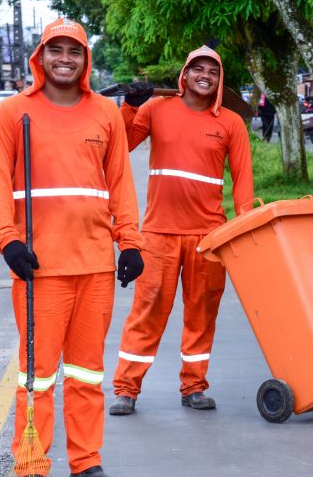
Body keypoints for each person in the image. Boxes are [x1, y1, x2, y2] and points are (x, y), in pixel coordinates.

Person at [0, 18, 144, 477]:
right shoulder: (14, 114)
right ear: (41, 56)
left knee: (88, 374)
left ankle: (86, 460)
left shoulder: (106, 114)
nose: (65, 59)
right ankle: (32, 463)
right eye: (56, 50)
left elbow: (120, 187)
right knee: (37, 377)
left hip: (94, 267)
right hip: (40, 267)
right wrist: (8, 240)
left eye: (73, 51)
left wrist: (130, 243)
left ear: (85, 59)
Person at [109, 45, 254, 415]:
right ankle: (126, 388)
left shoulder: (231, 123)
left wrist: (246, 226)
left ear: (220, 81)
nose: (205, 75)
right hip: (158, 234)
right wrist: (129, 106)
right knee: (148, 310)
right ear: (185, 75)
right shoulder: (156, 109)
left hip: (209, 238)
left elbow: (243, 181)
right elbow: (121, 146)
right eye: (198, 69)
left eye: (214, 71)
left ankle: (194, 386)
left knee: (202, 313)